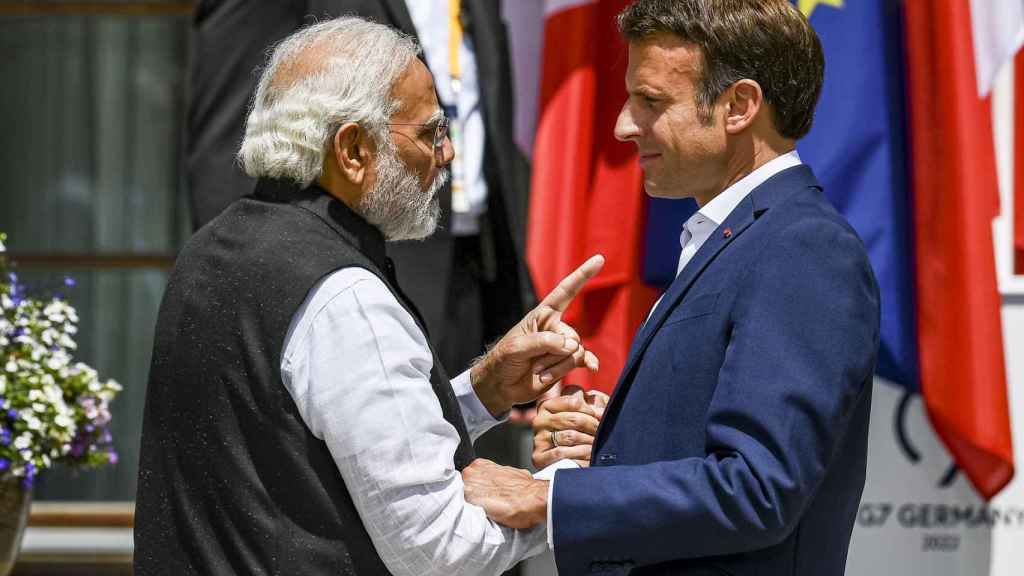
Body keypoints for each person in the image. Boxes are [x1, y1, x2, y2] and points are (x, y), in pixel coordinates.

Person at [134, 18, 601, 575]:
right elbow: (439, 551)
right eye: (430, 132)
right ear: (353, 149)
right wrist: (565, 488)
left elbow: (311, 443)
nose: (448, 153)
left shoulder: (212, 248)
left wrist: (482, 391)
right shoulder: (342, 293)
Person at [462, 1, 881, 574]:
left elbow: (758, 488)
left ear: (739, 106)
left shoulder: (803, 247)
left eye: (651, 101)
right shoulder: (740, 239)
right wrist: (611, 447)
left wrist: (547, 498)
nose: (623, 125)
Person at [186, 0, 532, 373]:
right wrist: (244, 305)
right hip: (336, 278)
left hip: (472, 272)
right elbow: (227, 145)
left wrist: (511, 300)